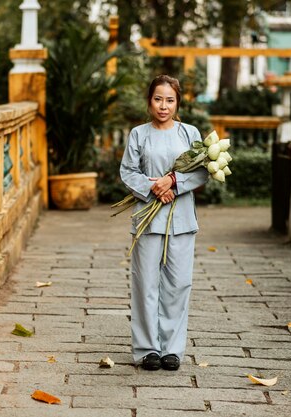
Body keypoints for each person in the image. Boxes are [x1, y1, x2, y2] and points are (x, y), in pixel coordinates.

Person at [119, 75, 208, 371]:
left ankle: (172, 349)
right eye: (158, 99)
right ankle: (147, 350)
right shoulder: (138, 134)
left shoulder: (189, 133)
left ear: (177, 103)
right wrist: (153, 187)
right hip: (147, 218)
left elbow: (201, 172)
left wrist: (174, 181)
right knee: (146, 284)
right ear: (149, 101)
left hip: (181, 218)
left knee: (178, 284)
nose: (163, 106)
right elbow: (128, 171)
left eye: (170, 100)